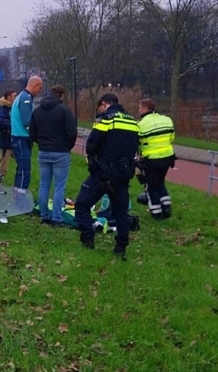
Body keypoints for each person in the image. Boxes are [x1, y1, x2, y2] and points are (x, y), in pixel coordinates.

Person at [74, 93, 140, 258]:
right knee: (121, 212)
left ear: (104, 104)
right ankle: (121, 247)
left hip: (103, 173)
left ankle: (88, 240)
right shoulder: (133, 122)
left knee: (82, 204)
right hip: (123, 174)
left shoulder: (106, 119)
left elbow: (91, 146)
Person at [29, 84, 78, 227]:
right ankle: (57, 218)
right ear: (61, 95)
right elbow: (72, 132)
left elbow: (32, 133)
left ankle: (44, 216)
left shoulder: (37, 111)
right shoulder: (64, 110)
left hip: (43, 151)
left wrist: (41, 143)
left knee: (44, 185)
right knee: (59, 186)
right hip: (60, 152)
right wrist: (66, 146)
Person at [136, 98, 176, 220]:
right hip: (168, 157)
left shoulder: (141, 124)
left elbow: (137, 142)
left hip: (151, 159)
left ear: (145, 109)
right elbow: (171, 138)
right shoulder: (167, 120)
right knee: (160, 182)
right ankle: (167, 207)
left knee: (151, 186)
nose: (139, 110)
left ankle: (156, 213)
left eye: (140, 108)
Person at [10, 76, 45, 197]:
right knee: (25, 171)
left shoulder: (22, 96)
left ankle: (16, 196)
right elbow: (27, 122)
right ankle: (21, 201)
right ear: (34, 85)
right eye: (39, 89)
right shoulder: (26, 98)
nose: (39, 91)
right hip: (21, 138)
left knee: (20, 170)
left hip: (18, 138)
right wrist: (37, 134)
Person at [0, 90, 15, 183]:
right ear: (9, 97)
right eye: (14, 96)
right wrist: (10, 126)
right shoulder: (2, 109)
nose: (16, 98)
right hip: (6, 141)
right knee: (3, 165)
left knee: (23, 163)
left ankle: (20, 183)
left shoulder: (13, 108)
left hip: (15, 140)